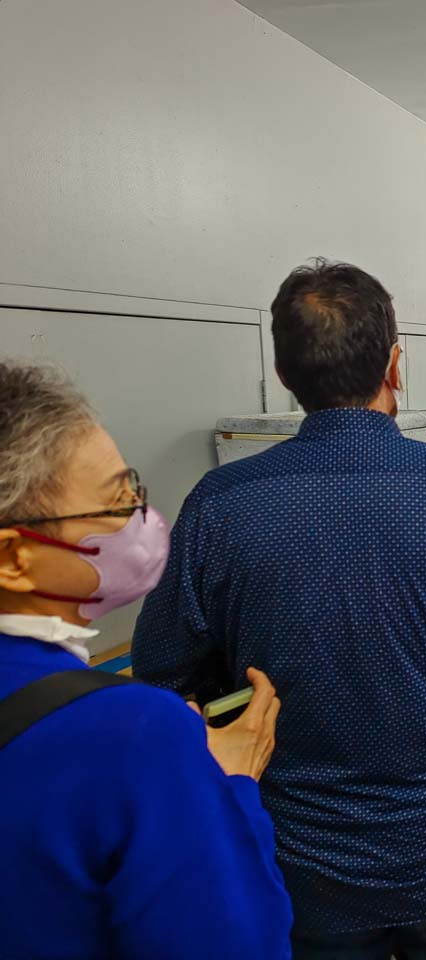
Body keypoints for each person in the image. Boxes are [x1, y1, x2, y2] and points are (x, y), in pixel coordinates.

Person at [132, 262, 426, 960]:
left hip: (304, 861)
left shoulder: (220, 504)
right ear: (395, 365)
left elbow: (162, 674)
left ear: (287, 375)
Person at [0, 362, 291, 959]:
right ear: (13, 559)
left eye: (134, 488)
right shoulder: (135, 732)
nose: (141, 518)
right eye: (114, 503)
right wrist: (226, 782)